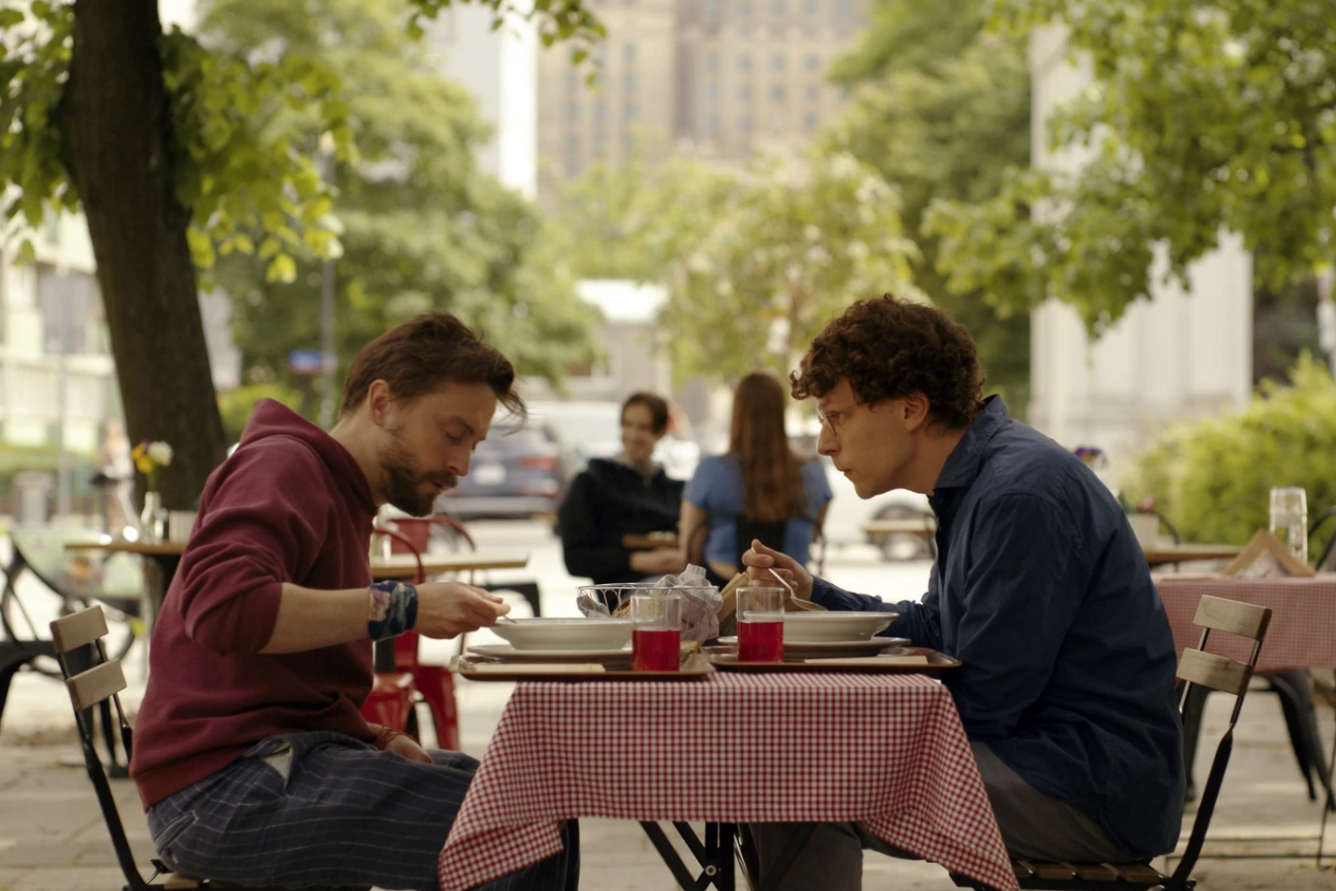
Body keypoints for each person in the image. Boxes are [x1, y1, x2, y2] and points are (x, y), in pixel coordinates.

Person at [741, 295, 1184, 889]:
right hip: (1053, 760)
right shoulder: (982, 481)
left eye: (837, 416)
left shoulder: (1016, 496)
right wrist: (817, 593)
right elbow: (937, 629)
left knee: (805, 785)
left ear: (911, 408)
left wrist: (849, 724)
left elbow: (986, 699)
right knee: (796, 773)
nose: (824, 444)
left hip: (1085, 786)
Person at [129, 312, 578, 891]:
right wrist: (404, 606)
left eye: (473, 443)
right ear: (383, 402)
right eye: (452, 434)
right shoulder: (283, 465)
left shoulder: (337, 491)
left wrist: (375, 737)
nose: (461, 466)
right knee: (512, 831)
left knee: (526, 798)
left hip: (273, 763)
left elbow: (287, 684)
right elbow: (224, 609)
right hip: (219, 790)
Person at [681, 371, 832, 585]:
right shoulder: (814, 472)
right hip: (794, 594)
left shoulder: (710, 471)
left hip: (722, 597)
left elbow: (690, 551)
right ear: (780, 412)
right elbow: (814, 536)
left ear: (737, 413)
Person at [557, 392, 686, 604]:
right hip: (628, 594)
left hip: (679, 582)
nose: (633, 435)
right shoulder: (591, 483)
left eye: (643, 428)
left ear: (661, 432)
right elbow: (576, 559)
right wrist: (640, 561)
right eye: (627, 425)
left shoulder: (676, 490)